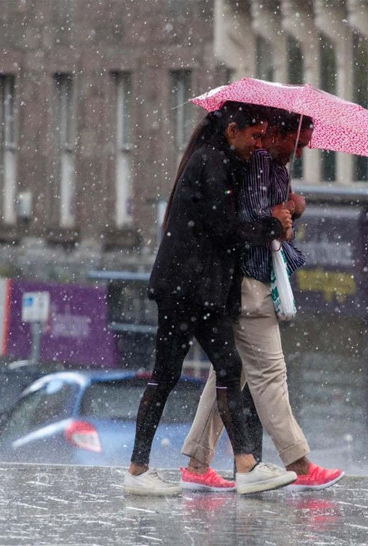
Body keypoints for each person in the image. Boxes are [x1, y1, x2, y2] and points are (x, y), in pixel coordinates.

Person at [124, 102, 298, 496]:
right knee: (170, 374)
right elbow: (224, 229)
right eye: (254, 135)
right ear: (232, 129)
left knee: (224, 369)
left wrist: (283, 204)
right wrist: (272, 225)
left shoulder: (221, 160)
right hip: (187, 290)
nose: (258, 142)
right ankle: (139, 470)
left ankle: (244, 464)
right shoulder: (210, 162)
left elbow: (231, 217)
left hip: (197, 289)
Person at [179, 108, 344, 492]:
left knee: (227, 376)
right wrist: (279, 216)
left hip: (250, 280)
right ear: (277, 134)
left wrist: (291, 207)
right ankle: (299, 463)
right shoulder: (258, 162)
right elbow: (251, 220)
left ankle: (197, 463)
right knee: (270, 375)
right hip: (249, 282)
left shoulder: (270, 165)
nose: (299, 152)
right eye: (296, 143)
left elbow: (274, 213)